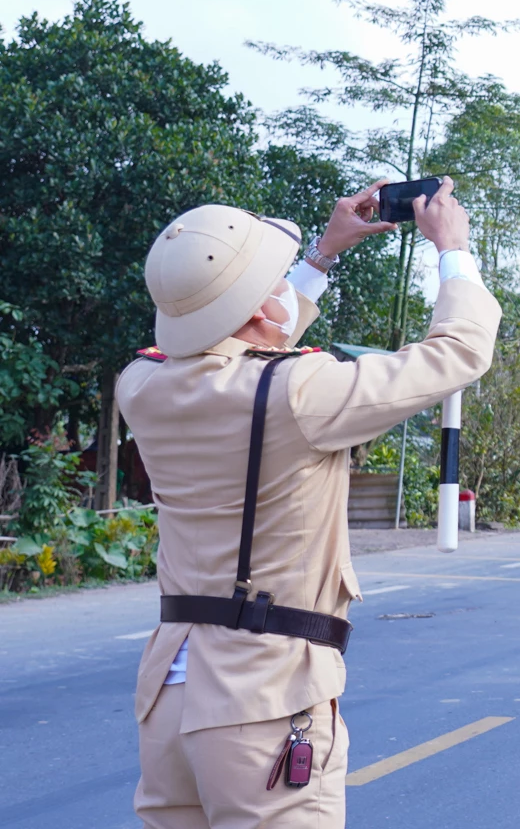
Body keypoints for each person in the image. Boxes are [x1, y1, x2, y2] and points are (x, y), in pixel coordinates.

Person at [118, 178, 500, 828]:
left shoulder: (142, 385)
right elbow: (459, 352)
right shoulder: (298, 393)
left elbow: (240, 336)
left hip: (171, 699)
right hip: (262, 699)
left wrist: (324, 253)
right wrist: (452, 251)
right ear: (264, 310)